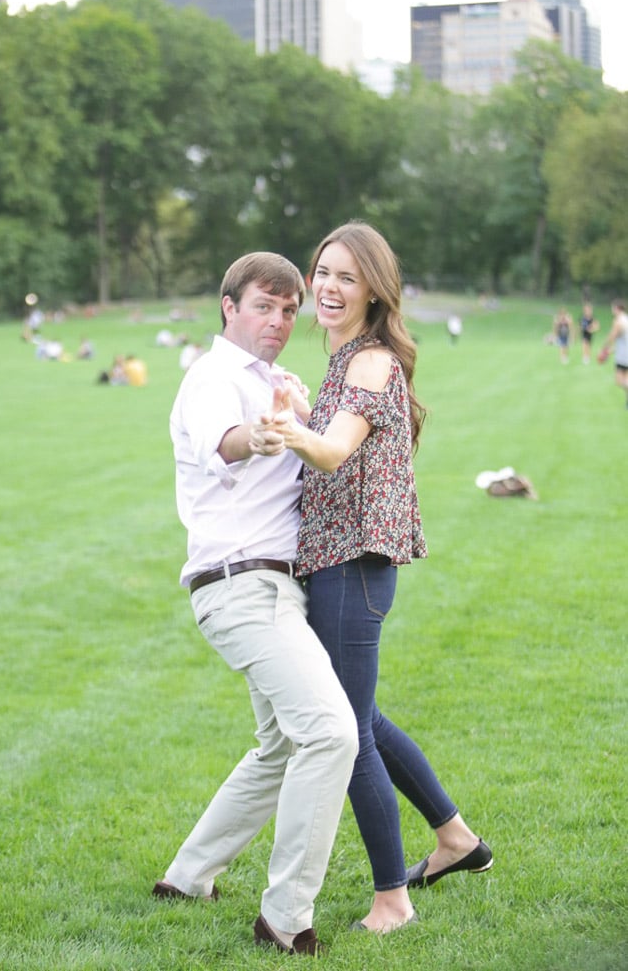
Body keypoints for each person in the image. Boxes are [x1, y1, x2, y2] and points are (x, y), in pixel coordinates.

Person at [254, 222, 491, 934]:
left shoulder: (369, 363)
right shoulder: (345, 360)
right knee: (364, 718)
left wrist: (289, 428)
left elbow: (331, 454)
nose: (327, 287)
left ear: (372, 290)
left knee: (346, 729)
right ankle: (455, 839)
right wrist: (299, 406)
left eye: (345, 278)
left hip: (350, 565)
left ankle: (392, 897)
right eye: (322, 272)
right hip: (339, 563)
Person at [153, 252, 358, 956]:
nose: (277, 320)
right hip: (243, 584)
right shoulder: (214, 377)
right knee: (330, 731)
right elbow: (227, 442)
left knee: (280, 745)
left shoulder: (271, 380)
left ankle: (186, 876)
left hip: (269, 585)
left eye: (288, 309)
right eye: (263, 306)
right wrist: (262, 435)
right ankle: (285, 914)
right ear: (228, 307)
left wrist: (292, 411)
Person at [597, 298, 628, 407]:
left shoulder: (619, 321)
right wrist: (611, 351)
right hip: (624, 353)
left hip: (624, 356)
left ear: (617, 308)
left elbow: (612, 337)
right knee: (625, 378)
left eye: (612, 308)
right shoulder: (626, 319)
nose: (612, 310)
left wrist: (604, 348)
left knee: (619, 380)